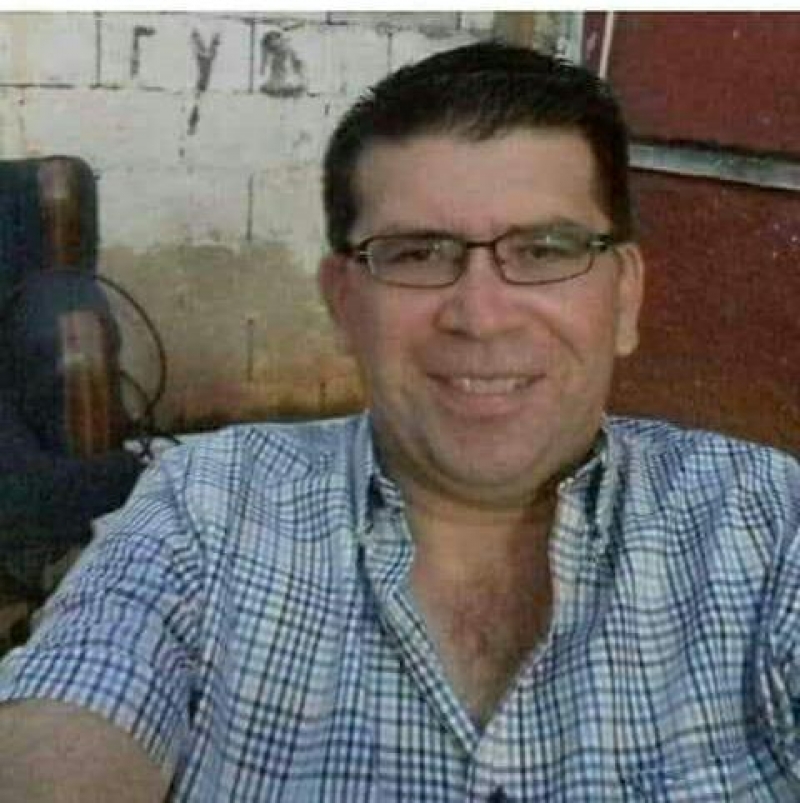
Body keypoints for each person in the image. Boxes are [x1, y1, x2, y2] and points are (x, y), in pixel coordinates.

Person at [0, 40, 798, 802]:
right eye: (417, 253)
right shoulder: (204, 507)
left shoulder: (767, 523)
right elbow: (74, 705)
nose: (481, 315)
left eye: (545, 249)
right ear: (344, 302)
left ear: (623, 296)